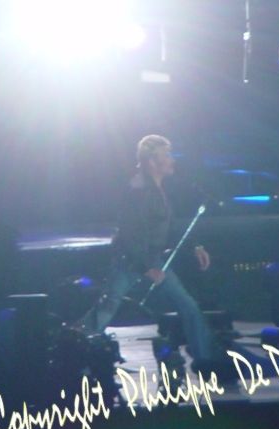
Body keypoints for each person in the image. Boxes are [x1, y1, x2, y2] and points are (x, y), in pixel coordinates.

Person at [78, 135, 216, 370]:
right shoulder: (139, 190)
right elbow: (129, 235)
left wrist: (195, 245)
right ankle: (74, 350)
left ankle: (206, 360)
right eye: (167, 155)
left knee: (188, 306)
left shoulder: (157, 188)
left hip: (152, 259)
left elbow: (169, 226)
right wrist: (146, 268)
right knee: (107, 308)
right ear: (152, 161)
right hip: (131, 261)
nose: (172, 160)